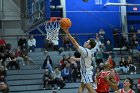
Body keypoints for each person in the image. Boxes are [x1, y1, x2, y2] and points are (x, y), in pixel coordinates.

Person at [62, 28, 96, 93]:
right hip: (85, 72)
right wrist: (75, 59)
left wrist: (67, 33)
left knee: (91, 90)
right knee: (80, 91)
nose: (85, 42)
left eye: (87, 42)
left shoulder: (85, 51)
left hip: (86, 73)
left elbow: (74, 42)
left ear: (89, 46)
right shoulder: (90, 51)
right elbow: (83, 59)